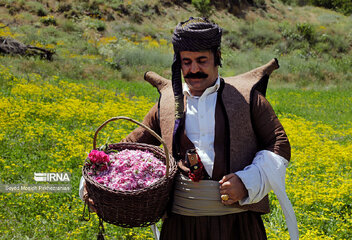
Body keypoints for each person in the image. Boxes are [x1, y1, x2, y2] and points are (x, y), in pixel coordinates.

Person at [80, 17, 298, 240]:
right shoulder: (166, 104)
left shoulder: (247, 98)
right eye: (187, 62)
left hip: (237, 226)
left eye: (202, 60)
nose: (194, 69)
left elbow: (279, 144)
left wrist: (247, 182)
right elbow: (129, 147)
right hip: (180, 227)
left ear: (218, 58)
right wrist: (93, 185)